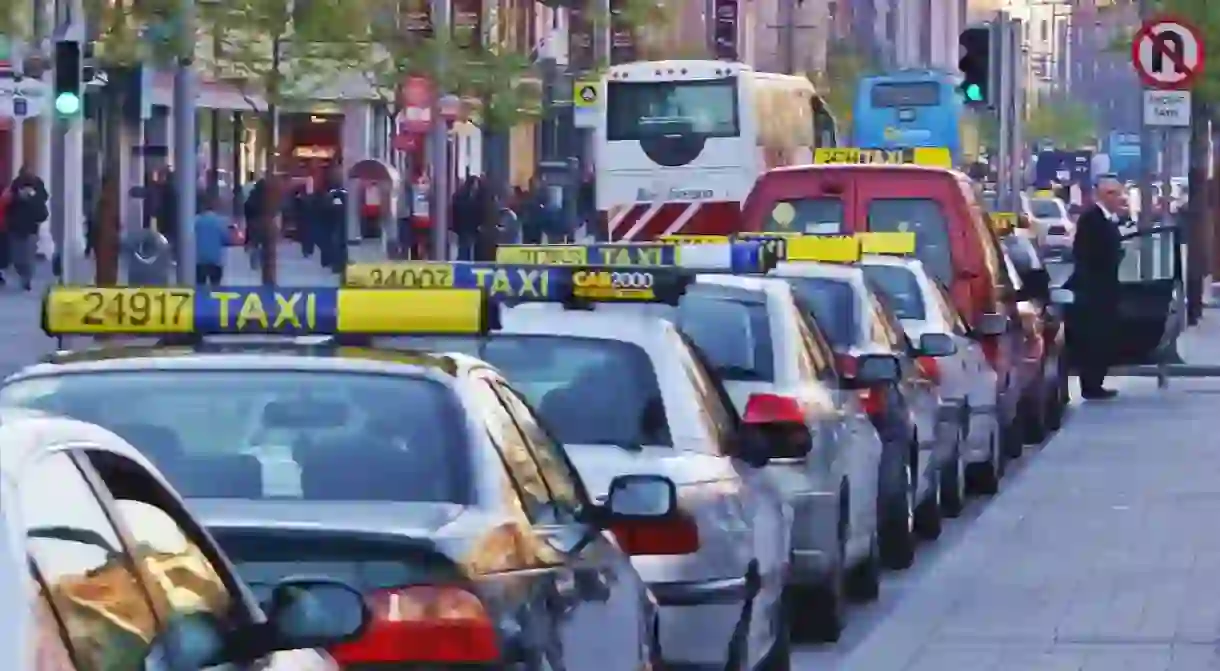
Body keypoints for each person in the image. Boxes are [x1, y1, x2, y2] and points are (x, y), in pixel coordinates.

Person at [1065, 175, 1126, 400]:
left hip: (1105, 290)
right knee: (1093, 339)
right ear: (1101, 195)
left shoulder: (1108, 219)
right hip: (1094, 291)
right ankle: (1091, 385)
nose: (1117, 198)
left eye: (1118, 193)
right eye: (1112, 193)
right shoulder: (1092, 219)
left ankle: (1096, 382)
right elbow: (1086, 253)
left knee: (1103, 339)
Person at [6, 165, 49, 291]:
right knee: (17, 256)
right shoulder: (16, 184)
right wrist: (19, 197)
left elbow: (43, 197)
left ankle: (27, 278)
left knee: (29, 254)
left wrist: (30, 198)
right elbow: (10, 200)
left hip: (31, 225)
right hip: (16, 226)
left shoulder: (38, 184)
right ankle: (22, 273)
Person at [194, 195, 230, 286]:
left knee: (200, 287)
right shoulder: (221, 221)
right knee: (215, 287)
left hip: (200, 260)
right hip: (216, 261)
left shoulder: (197, 220)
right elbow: (226, 239)